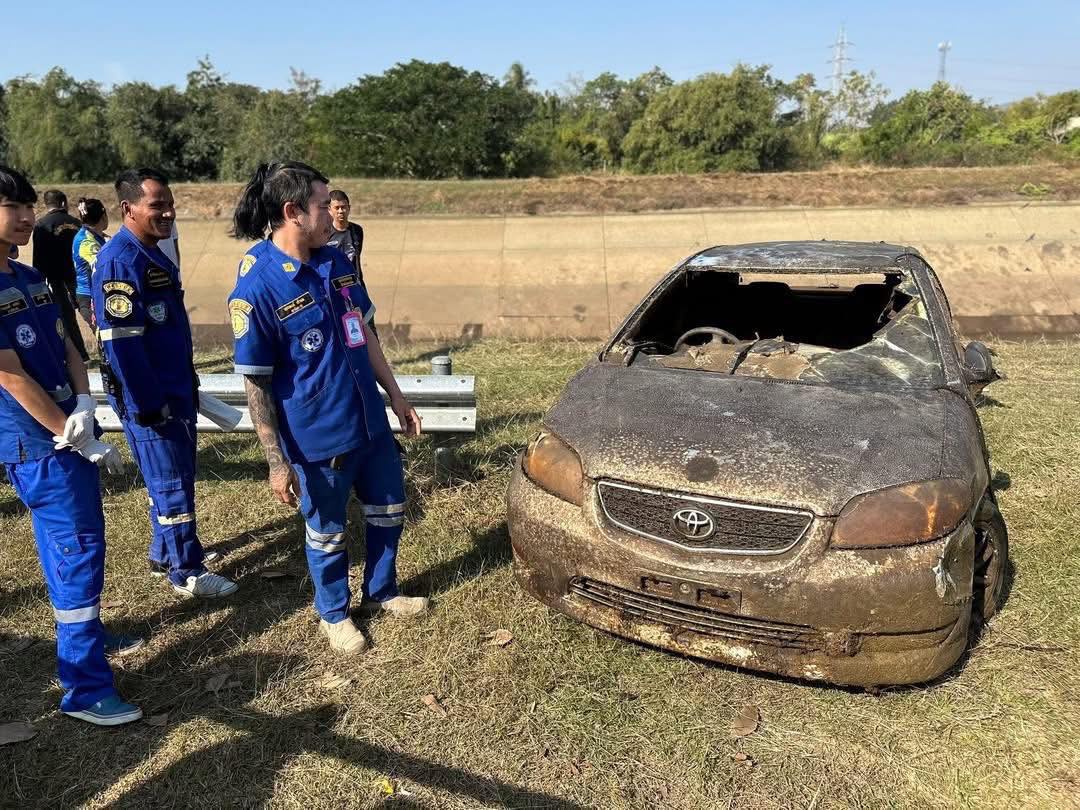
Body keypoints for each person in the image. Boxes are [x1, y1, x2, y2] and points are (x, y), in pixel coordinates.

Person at [229, 162, 426, 656]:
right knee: (327, 532)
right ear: (293, 212)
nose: (332, 214)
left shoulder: (335, 261)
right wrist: (276, 462)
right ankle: (334, 614)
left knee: (389, 509)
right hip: (318, 436)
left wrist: (396, 395)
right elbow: (256, 383)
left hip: (369, 420)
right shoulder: (258, 286)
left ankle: (382, 591)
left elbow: (364, 330)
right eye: (322, 206)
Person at [0, 165, 143, 725]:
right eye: (13, 208)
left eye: (28, 206)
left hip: (68, 426)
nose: (27, 218)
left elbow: (65, 344)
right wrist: (67, 432)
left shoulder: (28, 276)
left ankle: (88, 636)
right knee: (77, 549)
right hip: (39, 444)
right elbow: (10, 377)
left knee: (71, 543)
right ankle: (84, 688)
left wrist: (83, 401)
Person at [92, 168, 236, 599]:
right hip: (153, 397)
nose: (169, 212)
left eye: (170, 204)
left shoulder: (151, 252)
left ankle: (163, 554)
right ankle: (186, 571)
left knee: (169, 476)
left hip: (174, 388)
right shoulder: (120, 261)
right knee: (172, 483)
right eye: (157, 205)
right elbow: (122, 347)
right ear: (128, 209)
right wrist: (149, 404)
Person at [31, 190, 89, 361]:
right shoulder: (77, 223)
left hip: (56, 279)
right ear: (63, 203)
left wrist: (38, 280)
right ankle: (106, 348)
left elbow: (39, 257)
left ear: (46, 204)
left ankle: (80, 355)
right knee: (90, 311)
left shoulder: (42, 225)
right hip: (80, 277)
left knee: (66, 317)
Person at [71, 198, 109, 331]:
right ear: (103, 216)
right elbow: (104, 268)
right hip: (90, 297)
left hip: (95, 294)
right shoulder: (86, 241)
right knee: (104, 337)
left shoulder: (96, 236)